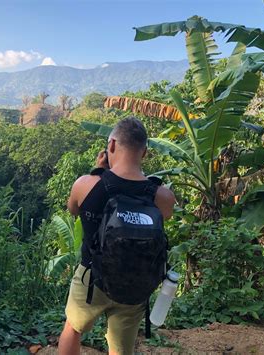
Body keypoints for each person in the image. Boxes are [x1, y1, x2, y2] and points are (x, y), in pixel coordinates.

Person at [58, 117, 176, 355]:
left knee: (72, 328)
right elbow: (165, 217)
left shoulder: (86, 184)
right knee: (122, 349)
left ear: (111, 145)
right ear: (144, 152)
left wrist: (100, 170)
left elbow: (72, 209)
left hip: (92, 279)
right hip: (136, 283)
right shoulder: (163, 196)